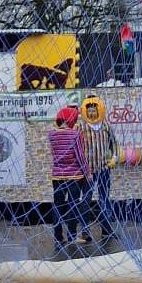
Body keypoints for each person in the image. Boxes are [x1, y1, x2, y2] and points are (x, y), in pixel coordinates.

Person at [76, 94, 118, 242]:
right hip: (87, 171)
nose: (92, 113)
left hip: (103, 169)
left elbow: (114, 144)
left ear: (99, 110)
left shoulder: (106, 125)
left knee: (104, 199)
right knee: (86, 199)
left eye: (94, 110)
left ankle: (106, 230)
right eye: (89, 111)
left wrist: (114, 157)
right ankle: (85, 232)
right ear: (85, 112)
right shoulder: (80, 126)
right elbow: (75, 147)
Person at [48, 106, 88, 248]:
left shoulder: (51, 134)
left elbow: (54, 155)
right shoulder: (75, 134)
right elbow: (80, 156)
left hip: (57, 176)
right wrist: (87, 172)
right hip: (74, 176)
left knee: (58, 206)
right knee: (73, 205)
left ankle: (58, 238)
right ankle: (71, 235)